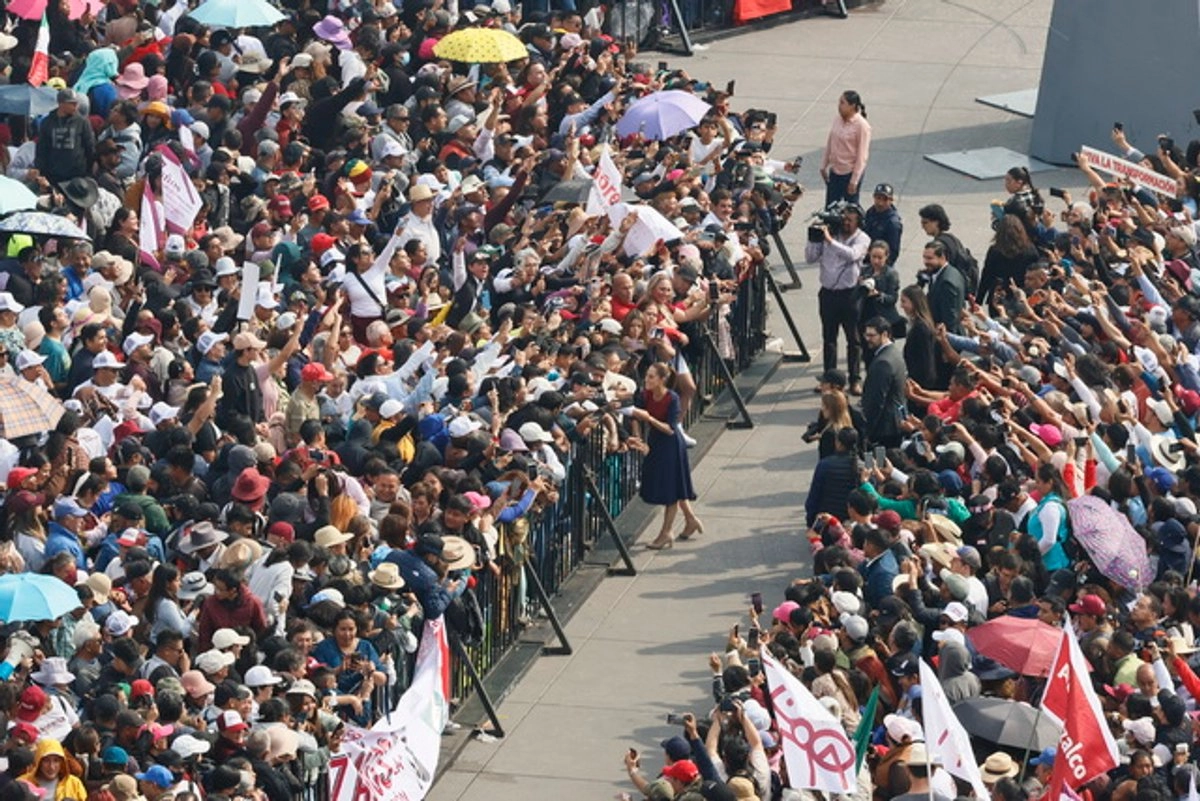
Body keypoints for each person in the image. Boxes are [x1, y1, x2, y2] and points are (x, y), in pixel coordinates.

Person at [628, 363, 702, 550]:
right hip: (655, 442)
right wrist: (637, 436)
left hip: (670, 445)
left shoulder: (673, 398)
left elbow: (670, 428)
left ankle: (666, 531)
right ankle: (690, 519)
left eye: (651, 377)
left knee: (671, 490)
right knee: (673, 484)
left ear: (662, 379)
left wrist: (650, 419)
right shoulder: (645, 395)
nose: (647, 380)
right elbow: (635, 415)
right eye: (647, 376)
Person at [807, 203, 871, 395]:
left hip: (849, 295)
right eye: (843, 219)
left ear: (858, 221)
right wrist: (814, 238)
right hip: (827, 294)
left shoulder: (862, 238)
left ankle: (854, 379)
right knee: (829, 339)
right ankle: (830, 379)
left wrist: (830, 241)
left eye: (849, 220)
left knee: (853, 339)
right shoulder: (831, 234)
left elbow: (852, 255)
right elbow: (810, 258)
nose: (845, 223)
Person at [860, 316, 907, 448]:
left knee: (876, 465)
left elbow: (876, 400)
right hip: (893, 424)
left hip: (883, 430)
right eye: (866, 335)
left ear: (884, 334)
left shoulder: (883, 362)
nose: (867, 339)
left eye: (872, 335)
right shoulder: (894, 353)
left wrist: (867, 431)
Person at [819, 90, 871, 206]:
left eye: (842, 103)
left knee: (850, 211)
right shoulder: (837, 119)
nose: (839, 106)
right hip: (835, 171)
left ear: (852, 106)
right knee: (831, 207)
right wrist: (824, 165)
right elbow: (830, 142)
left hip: (849, 173)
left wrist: (854, 180)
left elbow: (862, 156)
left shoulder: (862, 126)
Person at [922, 240, 966, 335]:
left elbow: (950, 317)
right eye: (924, 258)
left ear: (942, 257)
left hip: (945, 336)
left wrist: (945, 341)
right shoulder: (949, 272)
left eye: (930, 258)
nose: (925, 262)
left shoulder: (947, 283)